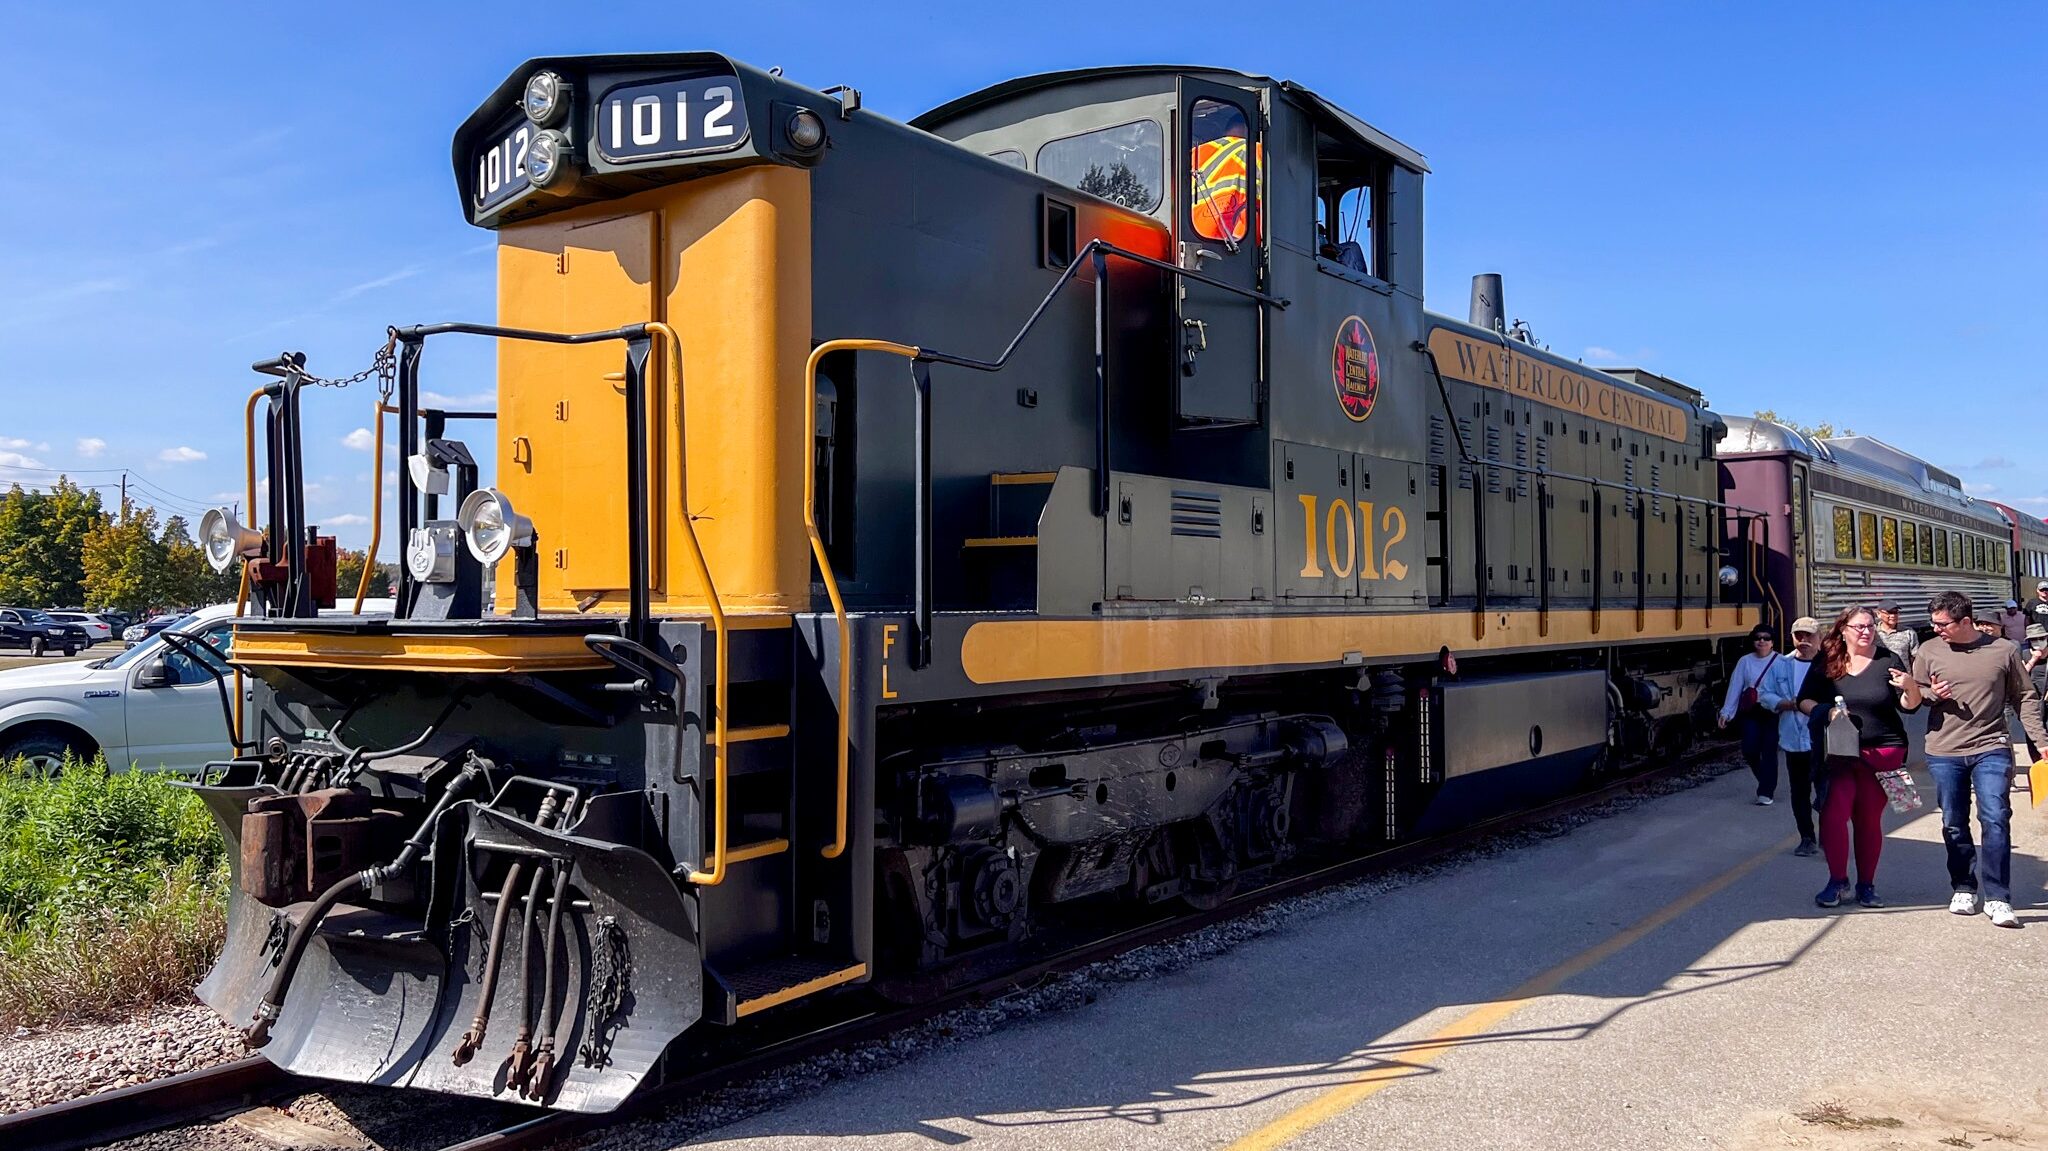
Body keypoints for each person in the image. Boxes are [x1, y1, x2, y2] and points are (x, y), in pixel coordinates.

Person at [1914, 592, 2048, 929]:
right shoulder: (1929, 650)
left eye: (1942, 624)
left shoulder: (2003, 650)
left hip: (1992, 745)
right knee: (1954, 823)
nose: (1935, 629)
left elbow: (2025, 696)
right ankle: (1963, 886)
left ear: (1965, 622)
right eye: (1933, 623)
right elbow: (1913, 696)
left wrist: (2041, 742)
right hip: (1944, 750)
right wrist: (1932, 695)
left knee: (1996, 817)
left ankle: (1998, 896)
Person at [1798, 605, 1923, 908]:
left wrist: (1910, 687)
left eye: (1870, 626)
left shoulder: (1887, 660)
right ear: (1843, 630)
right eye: (1859, 627)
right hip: (1839, 752)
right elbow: (1803, 700)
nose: (1867, 632)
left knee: (1868, 820)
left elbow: (1909, 706)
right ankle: (1837, 882)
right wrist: (1824, 711)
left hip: (1884, 750)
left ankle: (1866, 885)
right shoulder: (1826, 662)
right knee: (1833, 814)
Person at [1757, 616, 1822, 856]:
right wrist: (1784, 704)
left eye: (1809, 636)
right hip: (1794, 740)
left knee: (1826, 790)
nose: (1803, 641)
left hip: (1823, 740)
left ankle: (1828, 832)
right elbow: (1764, 694)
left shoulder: (1828, 665)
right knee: (1800, 791)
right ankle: (1807, 837)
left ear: (1819, 638)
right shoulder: (1781, 665)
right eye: (1799, 636)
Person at [1719, 624, 1783, 805]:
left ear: (1772, 642)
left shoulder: (1781, 661)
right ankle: (1765, 780)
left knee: (1769, 750)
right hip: (1751, 711)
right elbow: (1735, 687)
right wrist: (1727, 712)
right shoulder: (1745, 661)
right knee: (1749, 749)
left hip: (1772, 711)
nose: (1762, 641)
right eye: (1758, 638)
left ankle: (1766, 791)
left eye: (1766, 638)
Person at [1874, 601, 1919, 666]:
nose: (1893, 616)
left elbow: (1915, 657)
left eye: (1895, 612)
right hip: (1880, 674)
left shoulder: (1908, 632)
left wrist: (1914, 675)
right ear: (1878, 614)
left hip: (1902, 674)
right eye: (1889, 612)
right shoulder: (1873, 632)